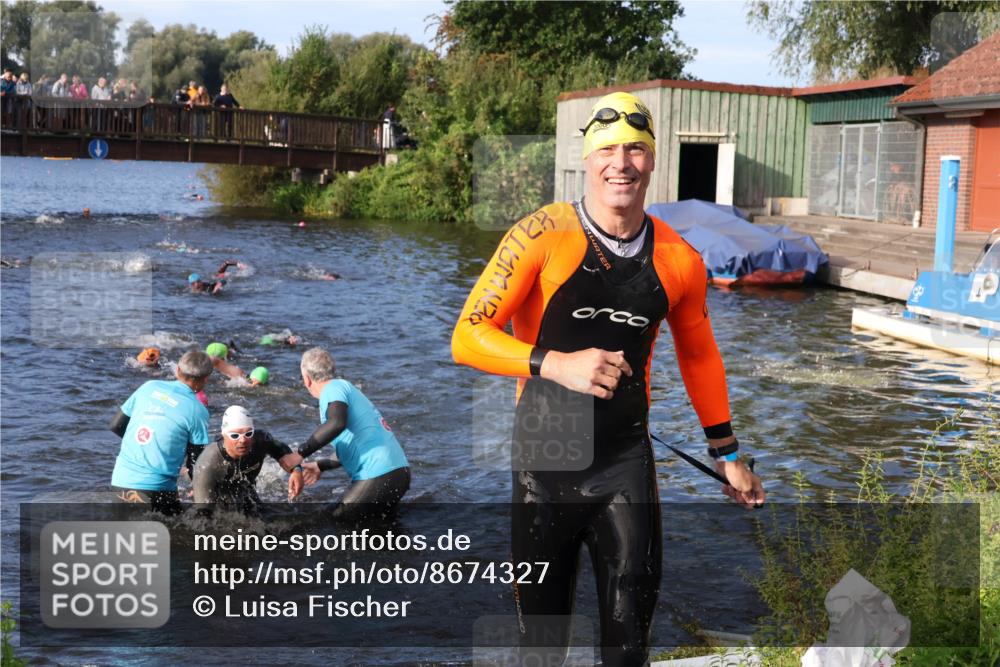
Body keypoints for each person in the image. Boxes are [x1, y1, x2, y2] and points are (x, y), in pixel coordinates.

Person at [450, 91, 765, 666]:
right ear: (588, 160)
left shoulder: (680, 259)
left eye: (636, 150)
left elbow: (699, 356)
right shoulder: (542, 233)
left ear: (652, 160)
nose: (622, 163)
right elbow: (467, 336)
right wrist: (557, 364)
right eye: (608, 150)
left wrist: (726, 453)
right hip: (543, 464)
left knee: (628, 647)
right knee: (542, 648)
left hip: (624, 462)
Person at [283, 347, 410, 522]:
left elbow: (336, 423)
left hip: (378, 474)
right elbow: (353, 443)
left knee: (338, 522)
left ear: (307, 379)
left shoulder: (332, 389)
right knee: (381, 528)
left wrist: (300, 453)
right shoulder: (344, 388)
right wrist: (320, 466)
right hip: (398, 472)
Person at [109, 350, 214, 515]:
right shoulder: (197, 410)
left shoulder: (148, 387)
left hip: (120, 481)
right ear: (206, 378)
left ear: (178, 369)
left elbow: (116, 425)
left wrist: (149, 445)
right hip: (157, 489)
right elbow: (196, 462)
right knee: (182, 529)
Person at [192, 405, 304, 515]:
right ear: (224, 434)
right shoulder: (208, 463)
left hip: (246, 493)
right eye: (235, 435)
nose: (243, 440)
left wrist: (296, 470)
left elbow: (282, 451)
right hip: (219, 503)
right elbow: (203, 514)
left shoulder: (261, 440)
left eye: (248, 433)